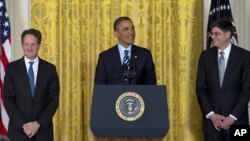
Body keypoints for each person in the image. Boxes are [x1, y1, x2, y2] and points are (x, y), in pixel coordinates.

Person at [196, 18, 250, 141]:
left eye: (217, 33)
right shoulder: (205, 56)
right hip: (211, 124)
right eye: (211, 34)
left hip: (238, 122)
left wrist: (232, 117)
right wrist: (211, 115)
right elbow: (200, 89)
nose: (213, 37)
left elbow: (246, 91)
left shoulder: (245, 56)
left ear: (228, 34)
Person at [4, 28, 60, 141]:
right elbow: (8, 99)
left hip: (42, 132)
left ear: (39, 45)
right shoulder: (11, 69)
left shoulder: (50, 69)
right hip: (18, 132)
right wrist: (23, 125)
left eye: (33, 44)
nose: (29, 48)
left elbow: (54, 101)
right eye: (26, 44)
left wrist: (38, 124)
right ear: (22, 45)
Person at [94, 16, 156, 85]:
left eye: (132, 29)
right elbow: (100, 87)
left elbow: (151, 85)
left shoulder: (145, 55)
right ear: (116, 33)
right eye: (126, 29)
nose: (131, 32)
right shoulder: (105, 57)